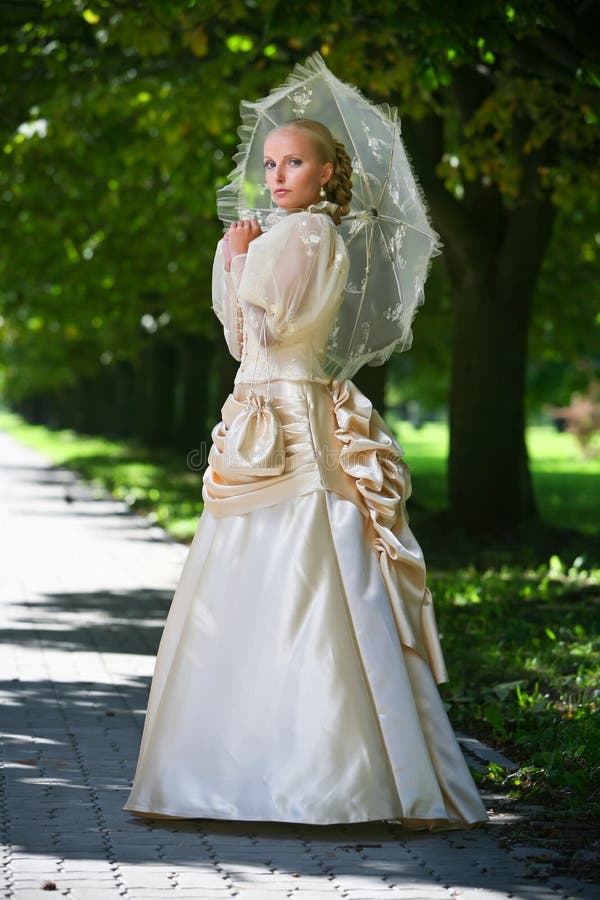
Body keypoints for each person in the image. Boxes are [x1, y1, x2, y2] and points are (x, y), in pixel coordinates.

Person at [124, 118, 488, 829]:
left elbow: (268, 326)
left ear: (327, 173)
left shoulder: (312, 234)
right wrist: (242, 258)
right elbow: (238, 340)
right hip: (256, 411)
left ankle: (329, 774)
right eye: (271, 163)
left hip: (292, 416)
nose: (278, 175)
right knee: (240, 573)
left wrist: (236, 257)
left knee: (305, 564)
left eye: (295, 162)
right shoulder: (281, 236)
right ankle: (229, 770)